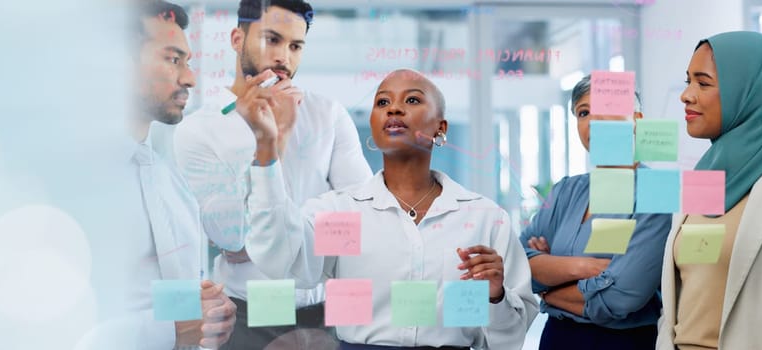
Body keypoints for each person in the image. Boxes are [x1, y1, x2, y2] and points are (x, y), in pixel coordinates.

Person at [233, 68, 537, 349]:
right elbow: (281, 258)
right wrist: (266, 145)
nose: (394, 108)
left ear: (440, 127)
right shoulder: (344, 214)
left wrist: (495, 297)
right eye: (382, 102)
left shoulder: (482, 218)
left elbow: (508, 340)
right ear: (374, 125)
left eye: (413, 99)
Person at [174, 0, 372, 348]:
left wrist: (273, 238)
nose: (284, 57)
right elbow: (232, 238)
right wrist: (273, 143)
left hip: (326, 312)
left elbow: (363, 221)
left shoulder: (328, 114)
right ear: (237, 39)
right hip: (247, 317)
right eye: (272, 40)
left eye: (296, 46)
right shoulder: (198, 131)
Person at [518, 75, 671, 350]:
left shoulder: (657, 191)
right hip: (556, 339)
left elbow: (622, 296)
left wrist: (548, 286)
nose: (593, 121)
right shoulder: (566, 191)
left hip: (621, 343)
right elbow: (517, 264)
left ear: (636, 119)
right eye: (583, 112)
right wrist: (586, 267)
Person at [117, 1, 237, 348]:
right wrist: (173, 329)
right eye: (173, 59)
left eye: (188, 62)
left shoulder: (171, 183)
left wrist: (210, 312)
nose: (190, 78)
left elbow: (169, 303)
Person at [656, 31, 762, 350]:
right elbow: (686, 287)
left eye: (703, 83)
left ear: (747, 91)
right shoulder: (704, 175)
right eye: (688, 81)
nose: (686, 95)